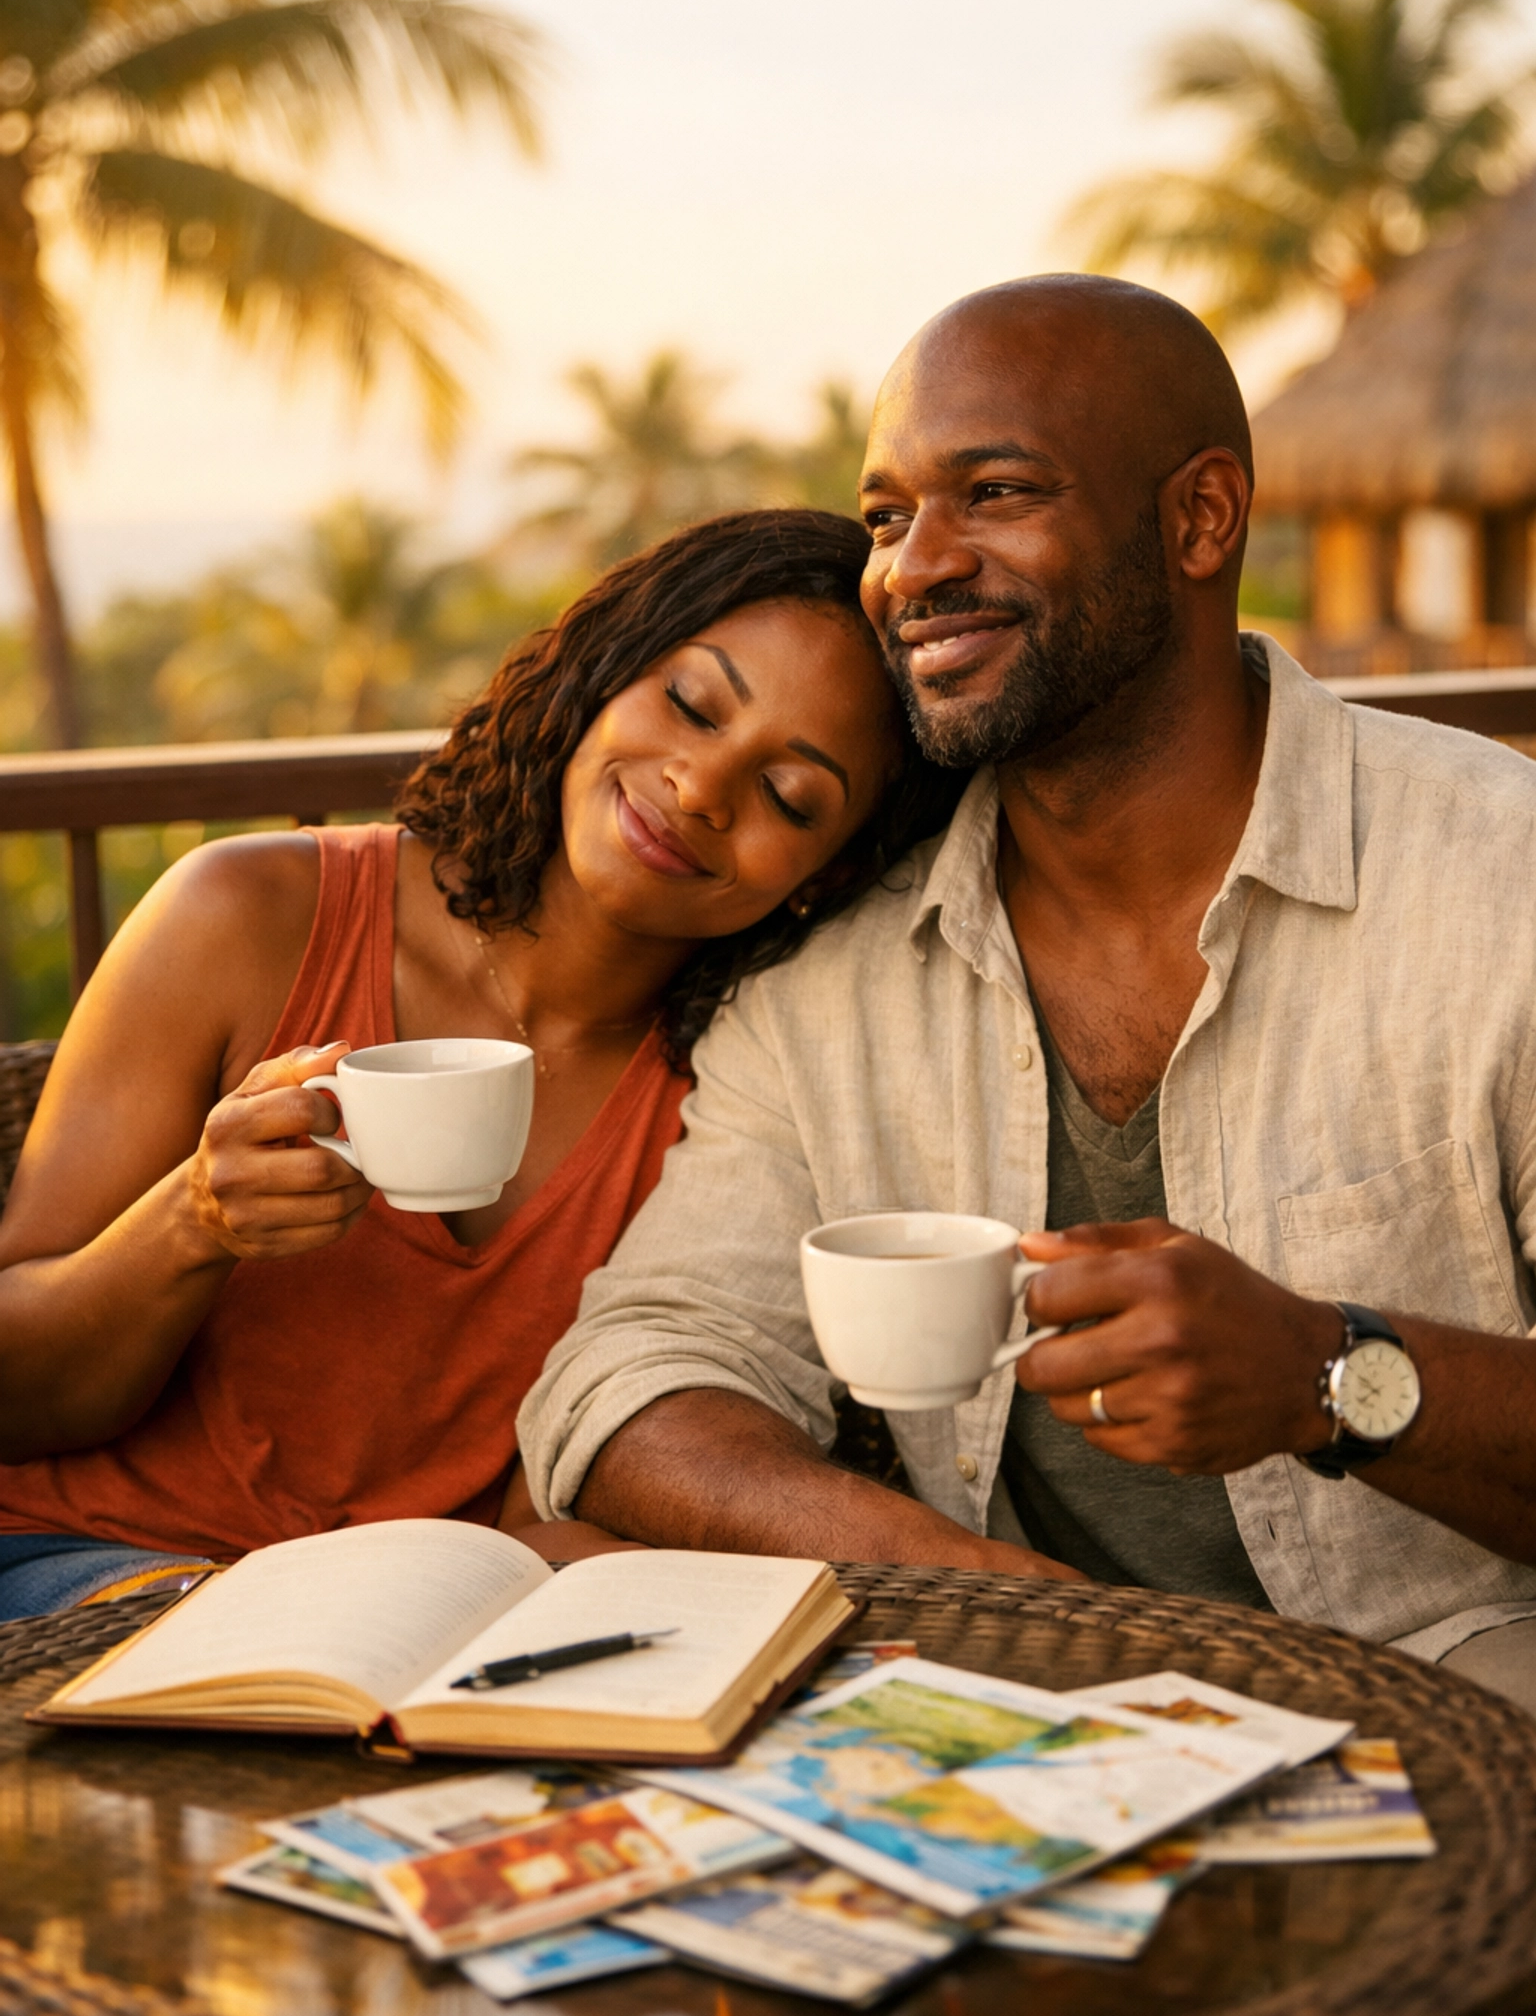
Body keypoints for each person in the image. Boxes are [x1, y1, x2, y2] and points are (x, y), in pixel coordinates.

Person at [519, 274, 1536, 1710]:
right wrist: (980, 1594)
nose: (913, 568)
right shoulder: (835, 984)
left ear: (1199, 520)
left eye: (993, 492)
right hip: (1014, 1712)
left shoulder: (1503, 886)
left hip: (1462, 1689)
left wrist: (1332, 1375)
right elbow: (633, 1378)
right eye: (885, 516)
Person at [0, 507, 962, 1619]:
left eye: (791, 798)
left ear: (823, 876)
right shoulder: (247, 916)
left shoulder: (737, 1099)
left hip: (413, 1632)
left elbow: (537, 1514)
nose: (700, 789)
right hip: (75, 1567)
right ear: (600, 672)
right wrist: (194, 1222)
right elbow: (18, 1394)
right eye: (690, 705)